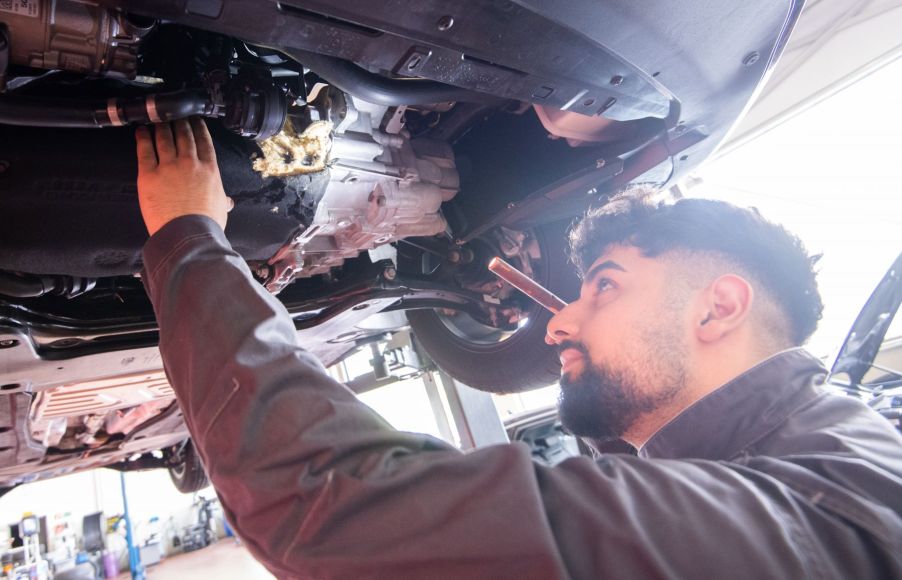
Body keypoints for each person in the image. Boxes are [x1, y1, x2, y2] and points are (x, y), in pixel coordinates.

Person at [135, 118, 902, 579]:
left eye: (603, 285)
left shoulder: (810, 524)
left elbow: (324, 493)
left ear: (721, 306)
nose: (560, 325)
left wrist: (188, 236)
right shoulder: (833, 466)